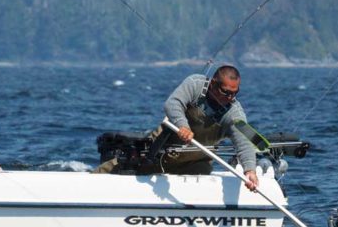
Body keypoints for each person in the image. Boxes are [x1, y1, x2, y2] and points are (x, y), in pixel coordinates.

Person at [96, 65, 259, 190]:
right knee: (124, 165)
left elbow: (244, 142)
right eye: (225, 92)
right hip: (159, 150)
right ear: (213, 84)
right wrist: (183, 126)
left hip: (196, 162)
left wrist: (249, 170)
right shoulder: (195, 84)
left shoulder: (235, 113)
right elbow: (172, 103)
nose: (230, 98)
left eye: (234, 93)